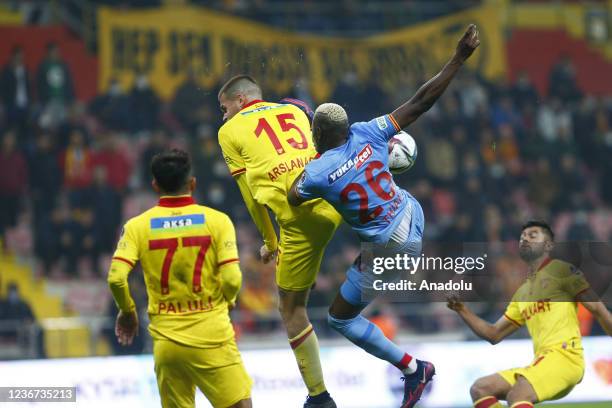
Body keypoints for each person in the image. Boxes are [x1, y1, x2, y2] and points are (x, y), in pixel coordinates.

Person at [288, 24, 481, 408]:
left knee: (340, 318)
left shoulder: (317, 172)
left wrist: (311, 162)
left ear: (319, 134)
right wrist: (458, 57)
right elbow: (422, 101)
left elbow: (293, 196)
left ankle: (413, 368)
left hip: (393, 248)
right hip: (413, 214)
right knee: (384, 211)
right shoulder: (370, 131)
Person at [218, 76, 342, 407]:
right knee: (301, 275)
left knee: (290, 309)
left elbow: (250, 196)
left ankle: (319, 397)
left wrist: (270, 242)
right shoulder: (294, 111)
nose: (223, 115)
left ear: (241, 100)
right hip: (334, 202)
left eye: (224, 107)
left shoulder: (228, 132)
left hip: (299, 221)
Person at [107, 149, 252, 408]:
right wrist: (227, 302)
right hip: (212, 336)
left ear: (155, 186)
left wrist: (127, 311)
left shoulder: (137, 226)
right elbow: (232, 280)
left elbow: (116, 278)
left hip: (167, 344)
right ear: (192, 183)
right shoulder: (218, 221)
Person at [447, 220, 612, 408]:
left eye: (532, 235)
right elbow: (493, 334)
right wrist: (462, 310)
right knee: (481, 388)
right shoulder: (522, 293)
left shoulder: (562, 271)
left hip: (566, 357)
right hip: (541, 362)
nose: (525, 239)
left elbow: (597, 309)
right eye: (522, 237)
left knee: (518, 395)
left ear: (548, 245)